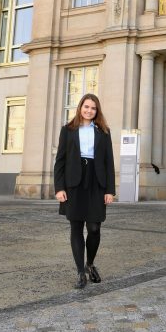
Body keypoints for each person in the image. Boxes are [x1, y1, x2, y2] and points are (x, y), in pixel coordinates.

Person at [54, 94, 115, 289]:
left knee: (95, 228)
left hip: (96, 181)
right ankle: (81, 271)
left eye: (93, 108)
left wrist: (110, 190)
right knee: (76, 227)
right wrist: (59, 188)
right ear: (80, 107)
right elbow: (60, 161)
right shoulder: (68, 130)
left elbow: (109, 163)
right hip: (74, 182)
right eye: (86, 107)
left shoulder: (104, 132)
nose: (89, 111)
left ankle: (90, 264)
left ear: (97, 111)